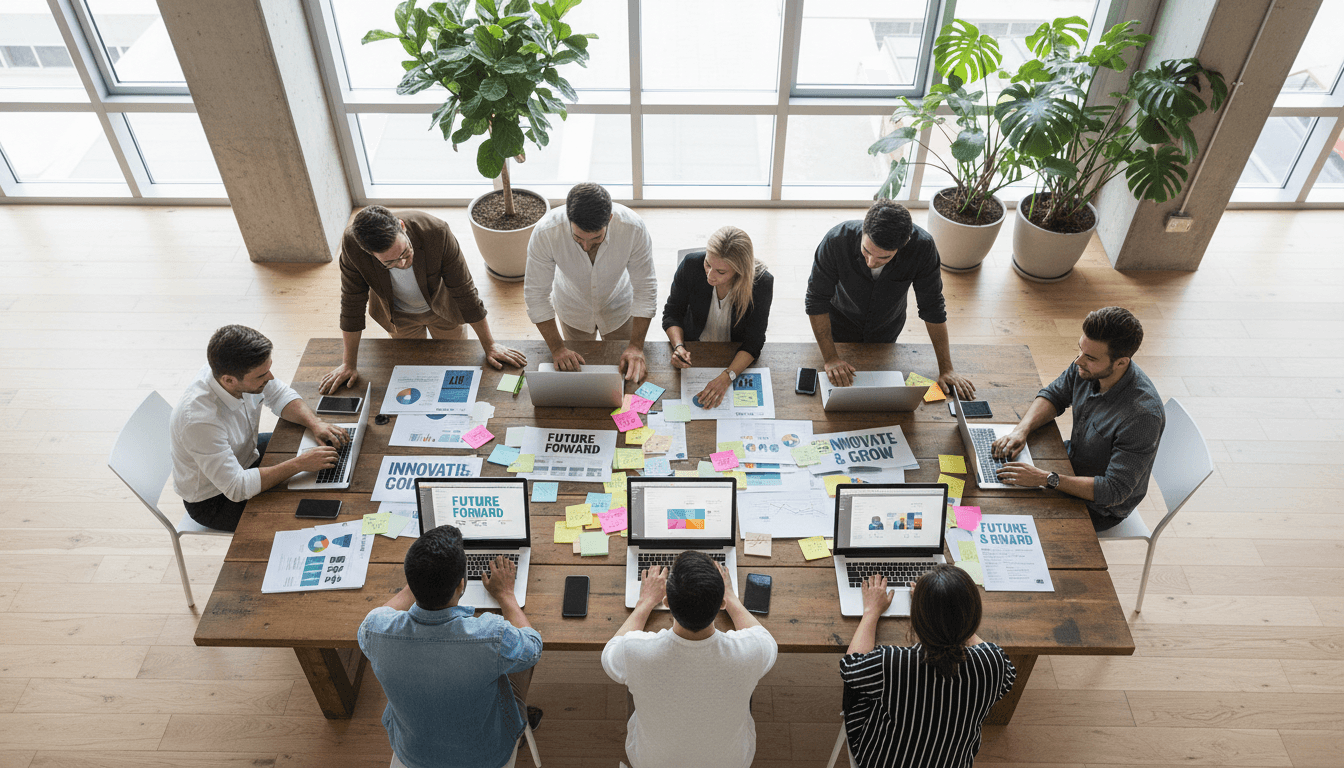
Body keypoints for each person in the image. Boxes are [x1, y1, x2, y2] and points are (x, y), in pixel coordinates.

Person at [359, 525, 543, 768]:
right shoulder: (491, 636)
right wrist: (506, 594)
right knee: (517, 660)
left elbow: (381, 613)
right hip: (485, 757)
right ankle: (518, 735)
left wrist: (421, 579)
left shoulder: (375, 629)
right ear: (461, 585)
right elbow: (533, 646)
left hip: (413, 754)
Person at [992, 306, 1165, 531]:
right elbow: (1055, 395)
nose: (1078, 361)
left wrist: (1046, 479)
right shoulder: (1088, 367)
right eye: (1080, 350)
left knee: (1008, 516)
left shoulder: (1142, 417)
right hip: (1070, 464)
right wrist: (1021, 430)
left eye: (1090, 357)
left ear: (1121, 362)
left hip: (1100, 507)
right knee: (996, 488)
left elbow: (1113, 491)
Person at [320, 206, 526, 395]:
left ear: (402, 226)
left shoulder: (436, 231)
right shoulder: (353, 245)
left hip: (443, 308)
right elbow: (351, 303)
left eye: (405, 252)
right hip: (397, 316)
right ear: (369, 253)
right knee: (414, 370)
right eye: (389, 262)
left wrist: (489, 345)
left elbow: (464, 290)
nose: (402, 264)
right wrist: (348, 363)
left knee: (456, 363)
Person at [601, 552, 777, 768]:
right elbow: (766, 639)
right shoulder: (752, 651)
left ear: (666, 601)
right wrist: (730, 598)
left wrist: (645, 602)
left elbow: (610, 652)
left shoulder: (634, 652)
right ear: (720, 604)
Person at [170, 325, 345, 531]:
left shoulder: (233, 370)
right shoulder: (199, 421)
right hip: (215, 500)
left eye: (268, 369)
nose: (270, 377)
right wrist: (299, 464)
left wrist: (316, 424)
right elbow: (237, 487)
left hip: (245, 454)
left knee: (318, 449)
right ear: (229, 380)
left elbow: (278, 394)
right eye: (262, 375)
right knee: (307, 512)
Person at [839, 565, 1016, 768]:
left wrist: (871, 612)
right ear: (974, 618)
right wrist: (951, 615)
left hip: (884, 761)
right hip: (952, 763)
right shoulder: (994, 664)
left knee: (856, 687)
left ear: (915, 620)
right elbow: (1006, 679)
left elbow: (850, 667)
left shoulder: (892, 663)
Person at [804, 200, 974, 398]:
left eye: (883, 258)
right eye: (866, 251)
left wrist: (946, 369)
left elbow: (933, 307)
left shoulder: (923, 247)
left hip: (886, 329)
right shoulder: (836, 240)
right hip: (837, 325)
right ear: (863, 230)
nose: (871, 262)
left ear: (904, 244)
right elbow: (815, 299)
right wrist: (831, 357)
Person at [524, 182, 657, 383]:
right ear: (569, 219)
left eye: (596, 239)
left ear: (609, 219)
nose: (586, 246)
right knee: (578, 376)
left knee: (624, 373)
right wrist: (558, 348)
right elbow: (535, 296)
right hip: (572, 308)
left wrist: (637, 346)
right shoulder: (545, 232)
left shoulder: (634, 228)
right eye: (578, 238)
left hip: (620, 307)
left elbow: (646, 288)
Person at [661, 226, 774, 409]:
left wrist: (727, 376)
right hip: (694, 347)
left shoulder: (761, 283)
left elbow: (754, 341)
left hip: (734, 352)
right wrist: (678, 346)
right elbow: (672, 313)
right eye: (708, 264)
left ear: (740, 270)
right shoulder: (691, 264)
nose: (710, 275)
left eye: (721, 272)